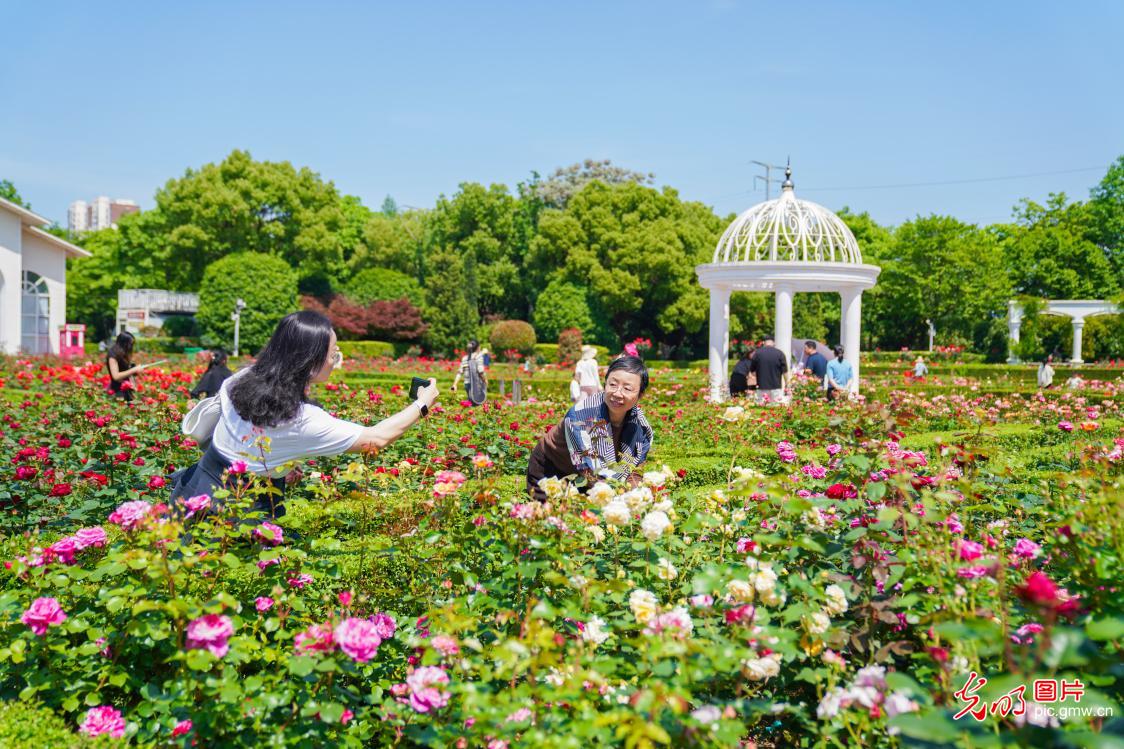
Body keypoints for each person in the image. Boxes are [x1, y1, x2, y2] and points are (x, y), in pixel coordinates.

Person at [170, 311, 439, 520]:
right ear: (309, 361)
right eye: (333, 354)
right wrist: (422, 404)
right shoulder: (301, 417)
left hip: (195, 487)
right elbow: (376, 438)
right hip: (234, 513)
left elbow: (239, 440)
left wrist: (277, 467)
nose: (336, 360)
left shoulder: (243, 377)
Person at [526, 356, 653, 501]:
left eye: (627, 388)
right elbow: (587, 470)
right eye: (612, 384)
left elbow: (634, 471)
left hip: (591, 479)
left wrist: (637, 497)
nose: (617, 393)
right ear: (605, 384)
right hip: (551, 471)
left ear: (640, 394)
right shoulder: (581, 416)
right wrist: (618, 498)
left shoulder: (641, 426)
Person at [105, 332, 143, 402]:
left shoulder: (122, 353)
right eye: (130, 344)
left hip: (127, 390)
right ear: (123, 343)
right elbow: (115, 376)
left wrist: (135, 372)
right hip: (118, 392)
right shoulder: (113, 355)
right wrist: (134, 370)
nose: (131, 347)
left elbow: (126, 371)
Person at [749, 337, 788, 403]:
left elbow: (752, 372)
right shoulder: (780, 353)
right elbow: (785, 371)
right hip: (776, 386)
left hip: (762, 386)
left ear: (764, 343)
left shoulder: (757, 353)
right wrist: (787, 383)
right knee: (776, 408)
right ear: (774, 343)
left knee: (761, 407)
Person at [453, 340, 487, 405]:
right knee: (478, 403)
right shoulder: (479, 357)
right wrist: (485, 380)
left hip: (467, 384)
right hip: (477, 383)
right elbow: (480, 371)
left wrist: (455, 384)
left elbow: (460, 372)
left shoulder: (465, 358)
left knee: (471, 402)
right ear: (478, 347)